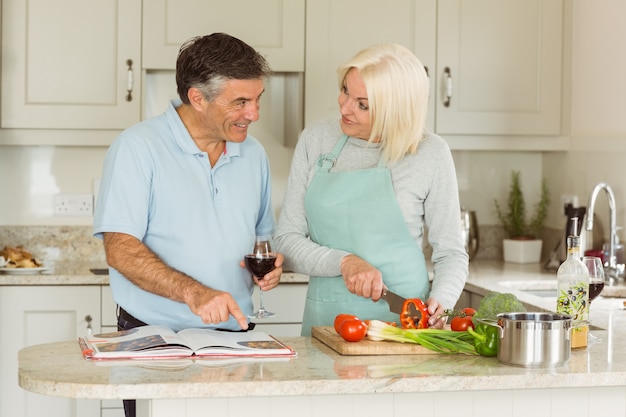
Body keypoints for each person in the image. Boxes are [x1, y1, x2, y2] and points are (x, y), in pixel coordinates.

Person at [93, 33, 283, 417]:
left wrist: (271, 267)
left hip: (234, 336)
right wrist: (195, 293)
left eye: (257, 99)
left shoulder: (254, 153)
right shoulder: (138, 147)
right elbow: (120, 249)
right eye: (241, 102)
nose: (254, 114)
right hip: (154, 338)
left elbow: (262, 236)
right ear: (197, 98)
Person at [274, 43, 468, 336]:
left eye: (362, 104)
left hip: (406, 325)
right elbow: (286, 241)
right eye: (344, 90)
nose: (344, 106)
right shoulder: (316, 140)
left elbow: (452, 253)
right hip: (327, 322)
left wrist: (442, 301)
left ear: (396, 111)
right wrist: (344, 262)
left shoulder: (430, 153)